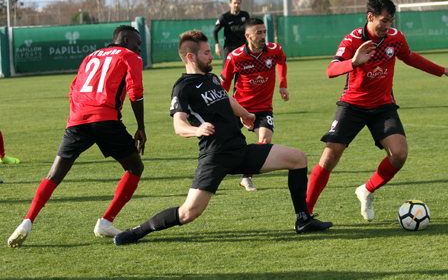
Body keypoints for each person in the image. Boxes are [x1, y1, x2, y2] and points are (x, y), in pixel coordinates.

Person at [114, 30, 332, 246]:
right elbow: (178, 125)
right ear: (191, 57)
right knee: (189, 213)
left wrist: (245, 114)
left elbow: (226, 98)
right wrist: (196, 130)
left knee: (298, 158)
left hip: (240, 150)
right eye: (207, 53)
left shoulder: (211, 78)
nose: (212, 56)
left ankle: (303, 221)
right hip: (215, 156)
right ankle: (137, 232)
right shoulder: (183, 87)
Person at [306, 0, 448, 222]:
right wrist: (354, 62)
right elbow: (331, 70)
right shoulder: (352, 41)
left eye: (391, 21)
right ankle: (305, 214)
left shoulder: (395, 38)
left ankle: (367, 190)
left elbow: (409, 57)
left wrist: (441, 70)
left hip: (383, 106)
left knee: (399, 155)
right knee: (329, 157)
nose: (388, 26)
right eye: (384, 21)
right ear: (370, 17)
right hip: (352, 105)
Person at [8, 25, 147, 248]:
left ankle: (27, 220)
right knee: (135, 168)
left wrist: (76, 117)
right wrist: (140, 126)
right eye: (138, 44)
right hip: (105, 118)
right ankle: (106, 221)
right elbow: (135, 90)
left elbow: (73, 89)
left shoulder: (90, 56)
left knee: (55, 173)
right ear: (127, 39)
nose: (139, 49)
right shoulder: (129, 56)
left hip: (77, 119)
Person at [221, 17, 289, 191]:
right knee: (225, 143)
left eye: (264, 32)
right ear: (248, 36)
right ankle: (213, 176)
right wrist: (222, 105)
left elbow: (282, 61)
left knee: (265, 141)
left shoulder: (274, 50)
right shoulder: (235, 57)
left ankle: (246, 177)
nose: (263, 36)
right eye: (258, 33)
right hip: (239, 108)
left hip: (263, 107)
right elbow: (224, 84)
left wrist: (283, 85)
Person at [213, 0, 250, 68]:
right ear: (230, 4)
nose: (236, 5)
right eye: (234, 3)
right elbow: (215, 31)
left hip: (242, 48)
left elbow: (249, 29)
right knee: (225, 74)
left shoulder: (245, 15)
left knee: (242, 73)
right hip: (229, 48)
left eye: (238, 3)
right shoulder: (224, 17)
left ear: (241, 4)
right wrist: (217, 45)